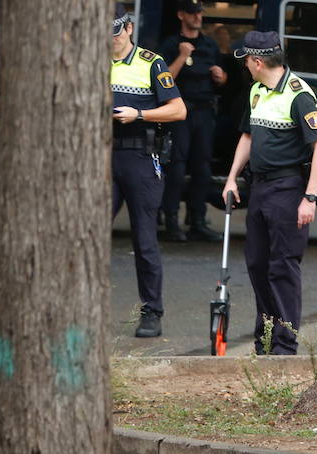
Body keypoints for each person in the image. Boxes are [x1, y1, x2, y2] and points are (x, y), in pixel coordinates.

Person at [222, 31, 317, 355]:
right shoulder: (257, 91)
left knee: (282, 268)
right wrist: (231, 179)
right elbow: (247, 138)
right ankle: (265, 339)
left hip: (287, 189)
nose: (244, 66)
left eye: (246, 60)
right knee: (257, 264)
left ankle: (285, 347)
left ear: (257, 61)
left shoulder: (299, 95)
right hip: (259, 188)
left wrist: (309, 198)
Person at [111, 2, 187, 338]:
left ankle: (152, 312)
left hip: (139, 158)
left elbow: (178, 110)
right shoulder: (89, 60)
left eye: (115, 32)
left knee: (144, 241)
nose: (110, 40)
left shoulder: (151, 63)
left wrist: (139, 115)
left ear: (128, 28)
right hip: (99, 158)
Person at [158, 0, 227, 243]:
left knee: (202, 167)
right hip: (179, 112)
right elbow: (164, 79)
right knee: (176, 167)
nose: (198, 17)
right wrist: (182, 55)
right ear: (181, 15)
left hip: (205, 112)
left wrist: (221, 77)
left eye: (199, 12)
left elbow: (222, 79)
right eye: (193, 13)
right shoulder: (170, 44)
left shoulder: (209, 44)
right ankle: (171, 221)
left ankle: (197, 220)